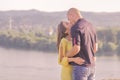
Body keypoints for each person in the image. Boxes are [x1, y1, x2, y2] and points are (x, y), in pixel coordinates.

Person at [66, 8, 98, 80]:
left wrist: (66, 56)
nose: (69, 21)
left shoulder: (75, 27)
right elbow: (95, 47)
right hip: (92, 67)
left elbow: (76, 48)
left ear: (72, 15)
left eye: (69, 19)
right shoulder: (91, 26)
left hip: (80, 67)